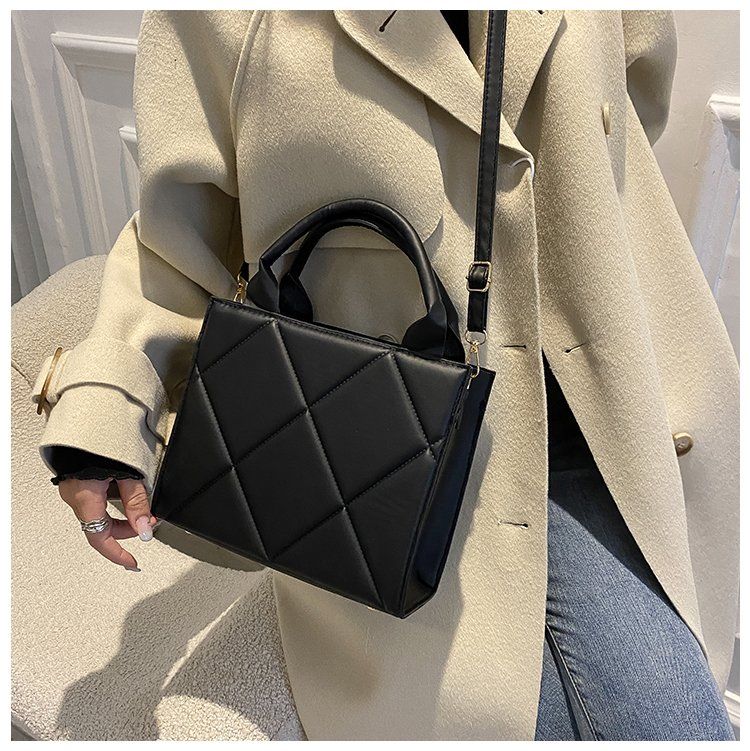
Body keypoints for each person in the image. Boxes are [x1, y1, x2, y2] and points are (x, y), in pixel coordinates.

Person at [31, 10, 738, 740]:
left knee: (679, 716)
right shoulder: (229, 20)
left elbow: (634, 92)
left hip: (609, 412)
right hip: (398, 464)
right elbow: (176, 243)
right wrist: (105, 410)